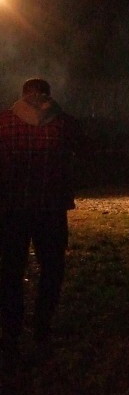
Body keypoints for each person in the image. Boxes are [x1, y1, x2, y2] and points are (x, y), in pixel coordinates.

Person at [0, 78, 80, 365]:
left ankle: (11, 330)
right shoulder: (65, 124)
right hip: (51, 209)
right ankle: (42, 326)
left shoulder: (4, 123)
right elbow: (82, 157)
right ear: (47, 94)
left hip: (13, 210)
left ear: (23, 95)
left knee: (11, 271)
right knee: (52, 269)